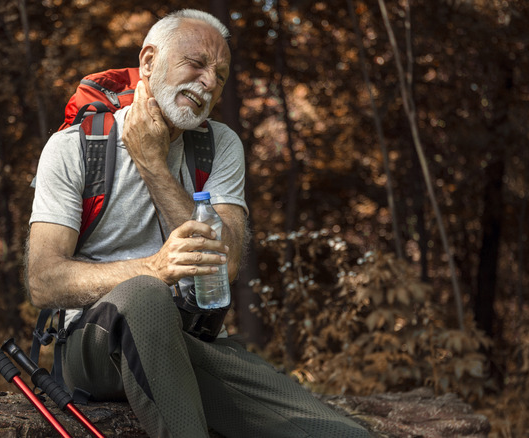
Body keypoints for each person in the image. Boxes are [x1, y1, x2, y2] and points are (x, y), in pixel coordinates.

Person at [26, 8, 371, 438]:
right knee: (147, 295)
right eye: (196, 64)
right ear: (149, 61)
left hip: (190, 342)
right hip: (94, 347)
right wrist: (154, 268)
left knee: (341, 434)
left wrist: (153, 164)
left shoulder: (219, 146)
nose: (209, 82)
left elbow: (222, 267)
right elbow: (43, 280)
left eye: (220, 75)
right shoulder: (74, 148)